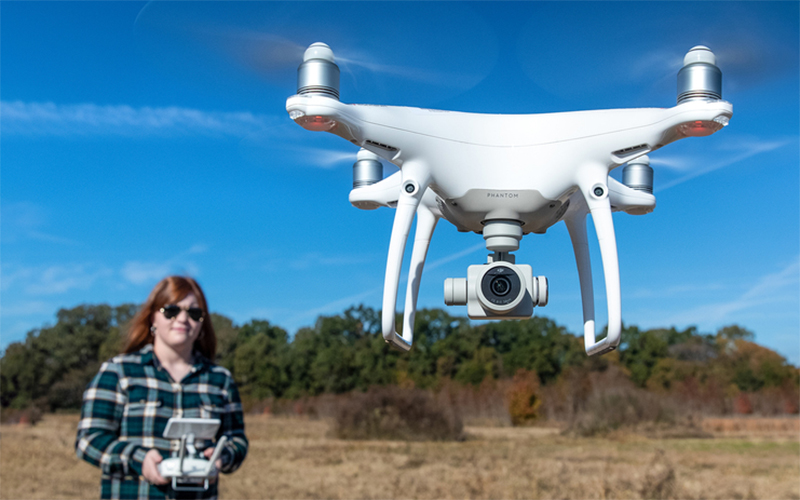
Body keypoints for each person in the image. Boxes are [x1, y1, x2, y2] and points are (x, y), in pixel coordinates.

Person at [76, 276, 247, 499]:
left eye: (194, 313)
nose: (183, 318)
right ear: (153, 318)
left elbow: (237, 439)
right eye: (172, 310)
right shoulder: (119, 372)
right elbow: (88, 439)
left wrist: (221, 457)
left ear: (202, 324)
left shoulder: (219, 380)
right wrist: (139, 459)